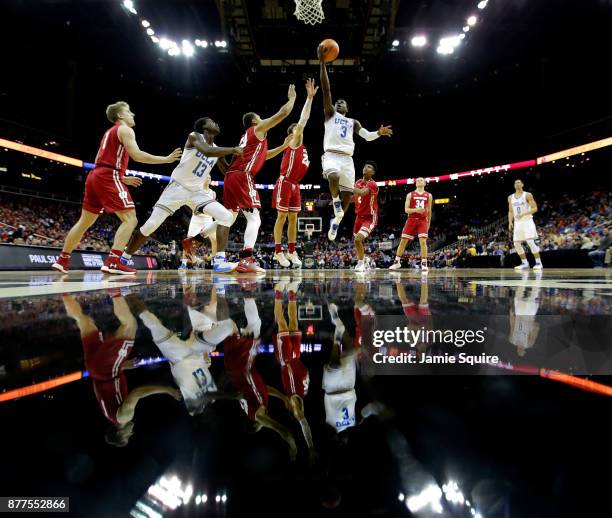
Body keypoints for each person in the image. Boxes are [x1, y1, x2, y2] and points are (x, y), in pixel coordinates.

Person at [52, 101, 182, 275]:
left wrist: (121, 177)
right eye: (129, 112)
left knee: (84, 222)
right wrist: (165, 159)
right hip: (107, 176)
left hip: (95, 175)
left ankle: (62, 260)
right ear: (120, 116)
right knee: (130, 219)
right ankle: (113, 261)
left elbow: (100, 158)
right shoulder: (126, 129)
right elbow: (137, 155)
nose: (132, 115)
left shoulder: (108, 133)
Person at [119, 117, 242, 273]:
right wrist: (233, 149)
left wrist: (238, 163)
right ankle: (124, 258)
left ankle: (220, 261)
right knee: (151, 225)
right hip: (177, 188)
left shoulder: (218, 149)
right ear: (204, 127)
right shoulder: (195, 136)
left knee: (226, 216)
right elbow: (206, 150)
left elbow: (227, 172)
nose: (216, 123)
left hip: (197, 192)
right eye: (212, 121)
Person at [62, 291, 180, 446]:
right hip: (94, 369)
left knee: (130, 325)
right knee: (84, 321)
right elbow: (100, 386)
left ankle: (114, 290)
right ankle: (64, 293)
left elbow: (137, 393)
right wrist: (120, 366)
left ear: (119, 432)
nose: (131, 433)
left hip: (106, 369)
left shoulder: (123, 418)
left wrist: (167, 390)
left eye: (127, 436)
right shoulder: (108, 414)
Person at [214, 85, 297, 274]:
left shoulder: (248, 139)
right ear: (254, 121)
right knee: (255, 218)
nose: (262, 120)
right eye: (260, 118)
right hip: (243, 176)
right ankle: (246, 259)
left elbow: (264, 156)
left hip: (231, 176)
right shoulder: (257, 129)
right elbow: (282, 113)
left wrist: (284, 146)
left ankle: (196, 238)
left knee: (229, 217)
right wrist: (292, 99)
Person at [318, 45, 392, 241]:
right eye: (337, 102)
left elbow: (367, 136)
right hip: (332, 154)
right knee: (332, 177)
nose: (339, 103)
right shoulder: (329, 114)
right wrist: (322, 63)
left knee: (347, 197)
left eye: (343, 102)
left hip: (348, 160)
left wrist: (378, 132)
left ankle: (337, 219)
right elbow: (326, 89)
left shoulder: (354, 122)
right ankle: (335, 205)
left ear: (347, 108)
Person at [272, 78, 319, 268]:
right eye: (296, 130)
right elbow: (303, 120)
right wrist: (309, 98)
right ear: (291, 134)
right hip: (285, 182)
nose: (299, 131)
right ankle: (278, 252)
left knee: (293, 219)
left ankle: (291, 251)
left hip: (295, 185)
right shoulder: (293, 142)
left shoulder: (302, 146)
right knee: (281, 217)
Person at [389, 177, 432, 272]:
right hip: (411, 219)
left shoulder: (429, 195)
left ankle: (424, 263)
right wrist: (417, 210)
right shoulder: (410, 194)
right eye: (417, 181)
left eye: (421, 180)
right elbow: (406, 210)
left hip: (423, 220)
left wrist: (428, 223)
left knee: (423, 241)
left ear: (424, 183)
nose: (419, 181)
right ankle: (397, 262)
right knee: (403, 241)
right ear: (415, 184)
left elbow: (429, 211)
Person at [179, 176, 218, 270]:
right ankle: (183, 264)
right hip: (196, 218)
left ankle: (215, 261)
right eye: (206, 177)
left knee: (214, 239)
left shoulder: (213, 193)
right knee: (188, 242)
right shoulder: (196, 190)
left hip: (208, 218)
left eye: (209, 178)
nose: (208, 179)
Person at [508, 179, 543, 270]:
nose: (517, 184)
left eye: (519, 182)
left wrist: (524, 214)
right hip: (517, 223)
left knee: (530, 242)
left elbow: (535, 208)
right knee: (516, 244)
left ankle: (539, 263)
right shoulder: (510, 197)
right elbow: (511, 211)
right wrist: (510, 222)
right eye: (515, 182)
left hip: (527, 221)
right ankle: (525, 263)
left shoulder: (527, 195)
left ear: (522, 184)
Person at [352, 161, 379, 272]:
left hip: (369, 217)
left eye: (369, 167)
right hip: (358, 217)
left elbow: (362, 192)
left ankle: (361, 263)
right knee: (356, 241)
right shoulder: (358, 182)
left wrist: (345, 185)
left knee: (358, 239)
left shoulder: (372, 184)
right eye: (365, 166)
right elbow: (353, 197)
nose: (365, 168)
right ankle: (365, 260)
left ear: (372, 172)